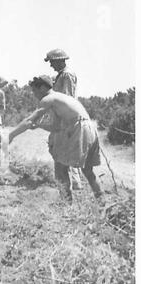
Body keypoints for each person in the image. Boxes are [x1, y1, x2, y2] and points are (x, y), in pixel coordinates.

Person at [10, 75, 103, 204]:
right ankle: (102, 202)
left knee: (60, 168)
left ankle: (66, 204)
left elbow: (28, 120)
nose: (34, 95)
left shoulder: (48, 99)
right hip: (90, 128)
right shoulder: (60, 98)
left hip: (79, 129)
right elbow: (56, 127)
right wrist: (39, 125)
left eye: (35, 91)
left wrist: (10, 136)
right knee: (87, 170)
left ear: (42, 88)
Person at [44, 49, 82, 190]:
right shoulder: (61, 75)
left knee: (62, 157)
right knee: (62, 155)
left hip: (65, 122)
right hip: (63, 121)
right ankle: (72, 190)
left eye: (52, 62)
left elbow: (66, 100)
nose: (51, 65)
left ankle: (67, 197)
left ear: (60, 60)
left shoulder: (66, 75)